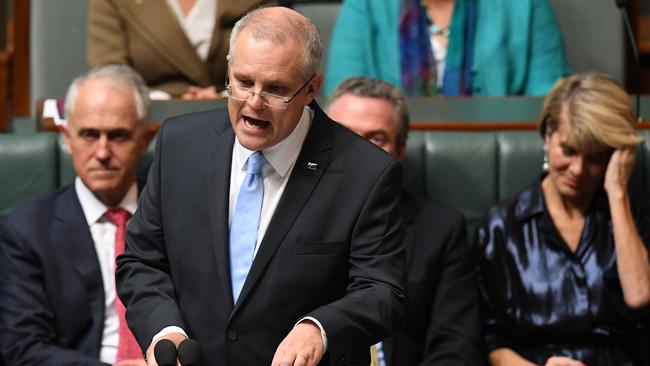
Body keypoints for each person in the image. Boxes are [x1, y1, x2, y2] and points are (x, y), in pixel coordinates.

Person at [116, 6, 409, 366]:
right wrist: (164, 329)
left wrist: (320, 327)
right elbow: (142, 261)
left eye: (275, 89)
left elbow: (383, 291)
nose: (254, 103)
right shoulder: (180, 144)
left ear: (311, 89)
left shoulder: (365, 172)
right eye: (243, 82)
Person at [474, 72, 650, 366]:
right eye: (567, 151)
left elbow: (640, 297)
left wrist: (617, 192)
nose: (578, 170)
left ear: (615, 156)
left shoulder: (634, 218)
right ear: (547, 136)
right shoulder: (502, 227)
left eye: (594, 158)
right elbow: (492, 339)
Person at [0, 65, 158, 365]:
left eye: (118, 136)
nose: (102, 151)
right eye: (89, 135)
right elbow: (22, 348)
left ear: (146, 138)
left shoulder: (177, 217)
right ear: (67, 138)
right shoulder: (25, 231)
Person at [326, 76, 483, 366]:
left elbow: (455, 346)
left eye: (376, 139)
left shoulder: (441, 230)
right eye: (345, 135)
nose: (359, 151)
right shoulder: (286, 217)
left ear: (399, 150)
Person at [324, 0, 570, 97]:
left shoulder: (525, 5)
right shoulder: (364, 5)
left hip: (501, 165)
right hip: (386, 163)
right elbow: (343, 105)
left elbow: (549, 105)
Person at [88, 0, 274, 100]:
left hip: (236, 107)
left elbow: (271, 59)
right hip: (150, 117)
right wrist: (170, 102)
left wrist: (224, 97)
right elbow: (110, 74)